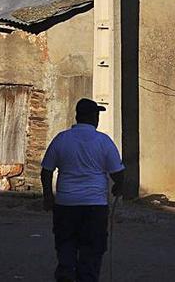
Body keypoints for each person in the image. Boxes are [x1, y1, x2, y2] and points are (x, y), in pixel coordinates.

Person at [41, 98, 125, 282]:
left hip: (65, 205)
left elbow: (46, 170)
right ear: (94, 117)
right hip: (94, 206)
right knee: (92, 251)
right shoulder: (103, 141)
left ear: (78, 116)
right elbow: (119, 175)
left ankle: (66, 276)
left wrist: (48, 197)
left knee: (65, 247)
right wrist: (118, 187)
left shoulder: (61, 139)